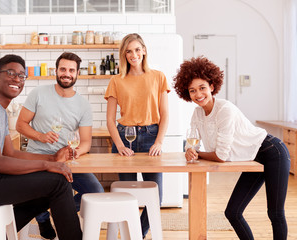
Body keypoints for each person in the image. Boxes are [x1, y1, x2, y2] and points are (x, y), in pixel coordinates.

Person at [0, 54, 82, 240]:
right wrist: (47, 165)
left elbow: (10, 153)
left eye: (21, 75)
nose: (17, 79)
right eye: (10, 73)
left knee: (49, 190)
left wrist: (51, 159)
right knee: (58, 183)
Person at [173, 56, 290, 240]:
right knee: (233, 212)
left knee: (275, 213)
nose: (198, 94)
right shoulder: (197, 113)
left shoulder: (224, 109)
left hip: (272, 151)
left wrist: (198, 154)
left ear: (212, 86)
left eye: (202, 88)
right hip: (252, 157)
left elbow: (220, 155)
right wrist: (190, 149)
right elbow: (192, 140)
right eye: (192, 90)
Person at [16, 51, 104, 239]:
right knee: (35, 192)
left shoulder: (83, 105)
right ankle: (42, 218)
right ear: (56, 70)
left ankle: (57, 210)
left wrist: (75, 152)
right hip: (37, 158)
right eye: (63, 69)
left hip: (66, 160)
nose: (67, 73)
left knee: (96, 191)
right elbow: (20, 125)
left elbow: (86, 142)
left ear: (77, 73)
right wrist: (40, 136)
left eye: (71, 70)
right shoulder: (38, 93)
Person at [104, 33, 169, 238]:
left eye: (137, 49)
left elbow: (165, 113)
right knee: (127, 195)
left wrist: (159, 141)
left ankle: (136, 234)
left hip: (151, 136)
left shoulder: (158, 76)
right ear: (124, 55)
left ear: (144, 51)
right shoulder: (117, 80)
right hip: (125, 137)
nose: (134, 54)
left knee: (155, 197)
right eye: (129, 51)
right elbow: (109, 119)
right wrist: (120, 145)